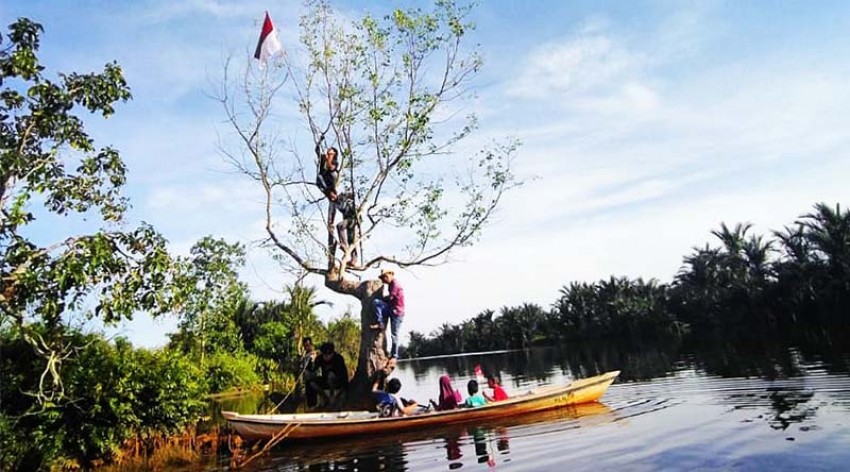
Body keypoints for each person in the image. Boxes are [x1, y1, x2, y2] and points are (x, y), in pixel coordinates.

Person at [371, 268, 405, 359]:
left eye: (385, 277)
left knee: (394, 334)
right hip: (391, 309)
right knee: (376, 303)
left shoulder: (395, 284)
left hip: (397, 312)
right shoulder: (390, 285)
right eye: (382, 278)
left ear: (390, 274)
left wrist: (382, 298)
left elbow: (390, 298)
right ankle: (380, 323)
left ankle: (394, 355)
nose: (384, 280)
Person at [309, 342, 349, 408]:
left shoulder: (338, 359)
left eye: (329, 354)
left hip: (338, 381)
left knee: (331, 375)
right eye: (325, 355)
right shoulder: (319, 359)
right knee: (311, 382)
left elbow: (344, 375)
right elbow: (313, 370)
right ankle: (320, 399)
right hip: (325, 380)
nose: (327, 357)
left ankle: (331, 397)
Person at [335, 191, 358, 266]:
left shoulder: (345, 200)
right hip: (348, 220)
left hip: (353, 219)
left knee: (340, 226)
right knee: (351, 239)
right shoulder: (337, 203)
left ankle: (344, 245)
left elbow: (352, 195)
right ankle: (353, 259)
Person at [315, 136, 339, 202]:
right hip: (323, 179)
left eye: (331, 151)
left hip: (331, 179)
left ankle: (333, 194)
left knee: (333, 173)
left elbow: (330, 167)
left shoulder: (335, 162)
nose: (329, 151)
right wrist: (320, 141)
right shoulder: (323, 158)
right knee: (319, 178)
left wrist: (330, 156)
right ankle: (329, 193)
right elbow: (317, 150)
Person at [300, 337, 320, 408]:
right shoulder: (305, 356)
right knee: (308, 400)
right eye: (305, 346)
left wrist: (313, 360)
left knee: (314, 398)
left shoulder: (315, 355)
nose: (306, 347)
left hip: (314, 380)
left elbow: (315, 368)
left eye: (308, 345)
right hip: (307, 381)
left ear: (311, 345)